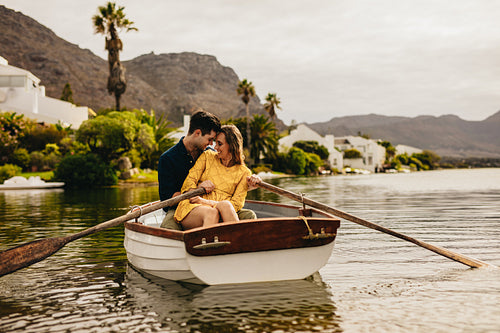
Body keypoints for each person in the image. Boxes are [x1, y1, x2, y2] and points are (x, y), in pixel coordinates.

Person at [158, 110, 259, 229]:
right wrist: (197, 191)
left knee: (248, 215)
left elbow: (234, 188)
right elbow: (167, 199)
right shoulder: (168, 158)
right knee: (169, 228)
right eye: (210, 139)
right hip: (180, 205)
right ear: (197, 133)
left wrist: (250, 185)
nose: (213, 145)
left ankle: (237, 243)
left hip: (214, 206)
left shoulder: (208, 152)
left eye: (216, 142)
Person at [174, 125, 252, 229]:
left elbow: (236, 205)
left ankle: (237, 243)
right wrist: (198, 189)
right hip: (193, 207)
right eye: (216, 143)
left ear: (232, 146)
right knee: (212, 213)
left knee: (226, 206)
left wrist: (206, 202)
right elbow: (188, 183)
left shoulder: (244, 172)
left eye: (219, 144)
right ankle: (209, 244)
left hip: (221, 210)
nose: (215, 147)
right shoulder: (207, 156)